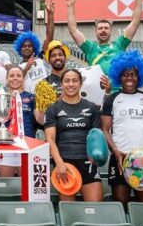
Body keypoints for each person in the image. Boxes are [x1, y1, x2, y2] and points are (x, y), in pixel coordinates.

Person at [101, 50, 143, 206]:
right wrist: (115, 152)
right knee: (121, 205)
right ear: (119, 77)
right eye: (125, 74)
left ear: (139, 76)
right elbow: (104, 129)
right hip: (120, 158)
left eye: (133, 74)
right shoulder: (112, 99)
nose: (129, 78)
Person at [65, 0, 143, 76]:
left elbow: (134, 22)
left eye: (106, 28)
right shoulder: (90, 47)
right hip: (98, 90)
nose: (103, 30)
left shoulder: (119, 44)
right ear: (96, 31)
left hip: (117, 89)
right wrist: (70, 7)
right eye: (100, 28)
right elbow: (73, 30)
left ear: (110, 30)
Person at [44, 68, 103, 202]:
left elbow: (96, 138)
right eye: (67, 81)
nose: (71, 84)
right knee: (69, 213)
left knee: (96, 210)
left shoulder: (92, 108)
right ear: (61, 84)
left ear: (80, 84)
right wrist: (59, 163)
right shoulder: (53, 108)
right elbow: (50, 139)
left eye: (75, 80)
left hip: (88, 162)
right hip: (64, 163)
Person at [0, 66, 42, 177]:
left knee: (26, 186)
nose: (15, 78)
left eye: (18, 75)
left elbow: (40, 121)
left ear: (23, 79)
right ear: (7, 79)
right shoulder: (0, 97)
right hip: (5, 144)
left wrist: (42, 104)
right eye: (11, 75)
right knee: (7, 184)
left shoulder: (32, 97)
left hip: (27, 143)